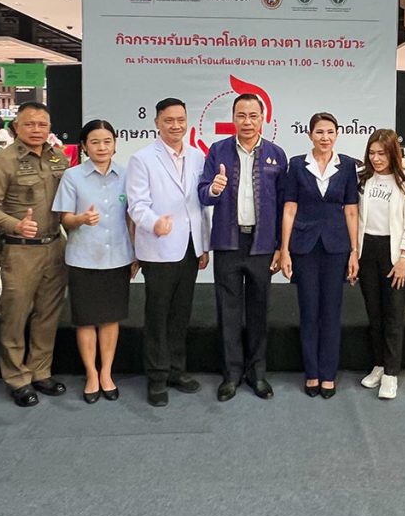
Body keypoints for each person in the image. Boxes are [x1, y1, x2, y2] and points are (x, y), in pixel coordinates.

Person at [0, 101, 70, 408]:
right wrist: (15, 225)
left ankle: (40, 371)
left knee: (48, 314)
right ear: (16, 127)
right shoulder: (2, 162)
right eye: (29, 124)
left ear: (49, 128)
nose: (36, 130)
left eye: (42, 124)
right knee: (15, 315)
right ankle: (17, 378)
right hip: (20, 251)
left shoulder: (58, 158)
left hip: (55, 246)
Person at [198, 93, 286, 402]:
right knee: (229, 311)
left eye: (253, 116)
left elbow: (283, 205)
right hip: (228, 242)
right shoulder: (218, 150)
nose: (247, 122)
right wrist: (213, 188)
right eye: (241, 115)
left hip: (262, 244)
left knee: (259, 310)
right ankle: (231, 375)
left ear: (263, 118)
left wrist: (280, 247)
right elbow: (203, 193)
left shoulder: (276, 154)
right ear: (233, 118)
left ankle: (257, 373)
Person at [126, 98, 210, 408]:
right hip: (158, 248)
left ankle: (176, 369)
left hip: (190, 247)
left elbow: (199, 205)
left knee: (180, 313)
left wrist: (203, 245)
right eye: (169, 120)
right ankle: (157, 377)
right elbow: (136, 205)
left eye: (180, 120)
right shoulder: (142, 159)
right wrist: (154, 223)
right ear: (157, 123)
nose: (176, 126)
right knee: (158, 315)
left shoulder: (198, 156)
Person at [52, 120, 136, 404]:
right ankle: (91, 373)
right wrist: (81, 219)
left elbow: (131, 217)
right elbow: (64, 218)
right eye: (95, 142)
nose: (102, 147)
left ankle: (107, 373)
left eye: (107, 141)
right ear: (85, 146)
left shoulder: (126, 175)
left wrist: (135, 252)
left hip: (118, 257)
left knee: (111, 318)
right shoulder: (73, 176)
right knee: (86, 319)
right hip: (84, 257)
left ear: (115, 144)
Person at [281, 112, 359, 399]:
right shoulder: (296, 165)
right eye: (319, 132)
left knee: (331, 312)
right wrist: (284, 249)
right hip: (304, 247)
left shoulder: (347, 166)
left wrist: (354, 251)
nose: (325, 137)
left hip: (337, 247)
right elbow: (289, 208)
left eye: (330, 132)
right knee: (309, 310)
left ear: (337, 134)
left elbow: (351, 211)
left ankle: (328, 374)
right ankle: (311, 372)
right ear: (310, 135)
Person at [356, 129, 405, 400]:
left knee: (394, 313)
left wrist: (404, 257)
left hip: (393, 252)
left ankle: (391, 373)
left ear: (393, 153)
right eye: (372, 153)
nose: (376, 158)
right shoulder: (362, 178)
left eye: (382, 153)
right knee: (374, 311)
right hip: (367, 250)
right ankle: (379, 364)